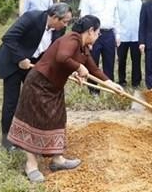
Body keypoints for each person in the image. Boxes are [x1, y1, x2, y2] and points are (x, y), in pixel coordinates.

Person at [7, 15, 123, 183]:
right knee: (33, 121)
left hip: (54, 88)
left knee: (57, 119)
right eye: (97, 33)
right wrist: (78, 67)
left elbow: (93, 69)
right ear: (90, 31)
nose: (98, 37)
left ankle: (57, 159)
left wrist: (111, 84)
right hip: (39, 84)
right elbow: (62, 57)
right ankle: (31, 165)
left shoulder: (83, 48)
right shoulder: (72, 38)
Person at [0, 3, 72, 151]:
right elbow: (8, 38)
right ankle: (7, 140)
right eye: (64, 21)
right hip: (13, 62)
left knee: (34, 98)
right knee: (12, 101)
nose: (66, 25)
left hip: (33, 64)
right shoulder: (32, 17)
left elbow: (53, 52)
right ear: (54, 17)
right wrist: (20, 59)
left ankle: (31, 135)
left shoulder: (59, 30)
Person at [79, 0, 120, 95]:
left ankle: (110, 89)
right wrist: (87, 39)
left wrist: (117, 35)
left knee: (109, 62)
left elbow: (116, 18)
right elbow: (84, 19)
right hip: (93, 36)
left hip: (108, 34)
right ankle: (93, 91)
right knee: (92, 63)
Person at [116, 0, 143, 88]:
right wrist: (117, 34)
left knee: (136, 60)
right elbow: (116, 19)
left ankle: (136, 82)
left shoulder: (138, 1)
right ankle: (122, 81)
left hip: (136, 36)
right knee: (121, 60)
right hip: (122, 36)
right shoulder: (117, 1)